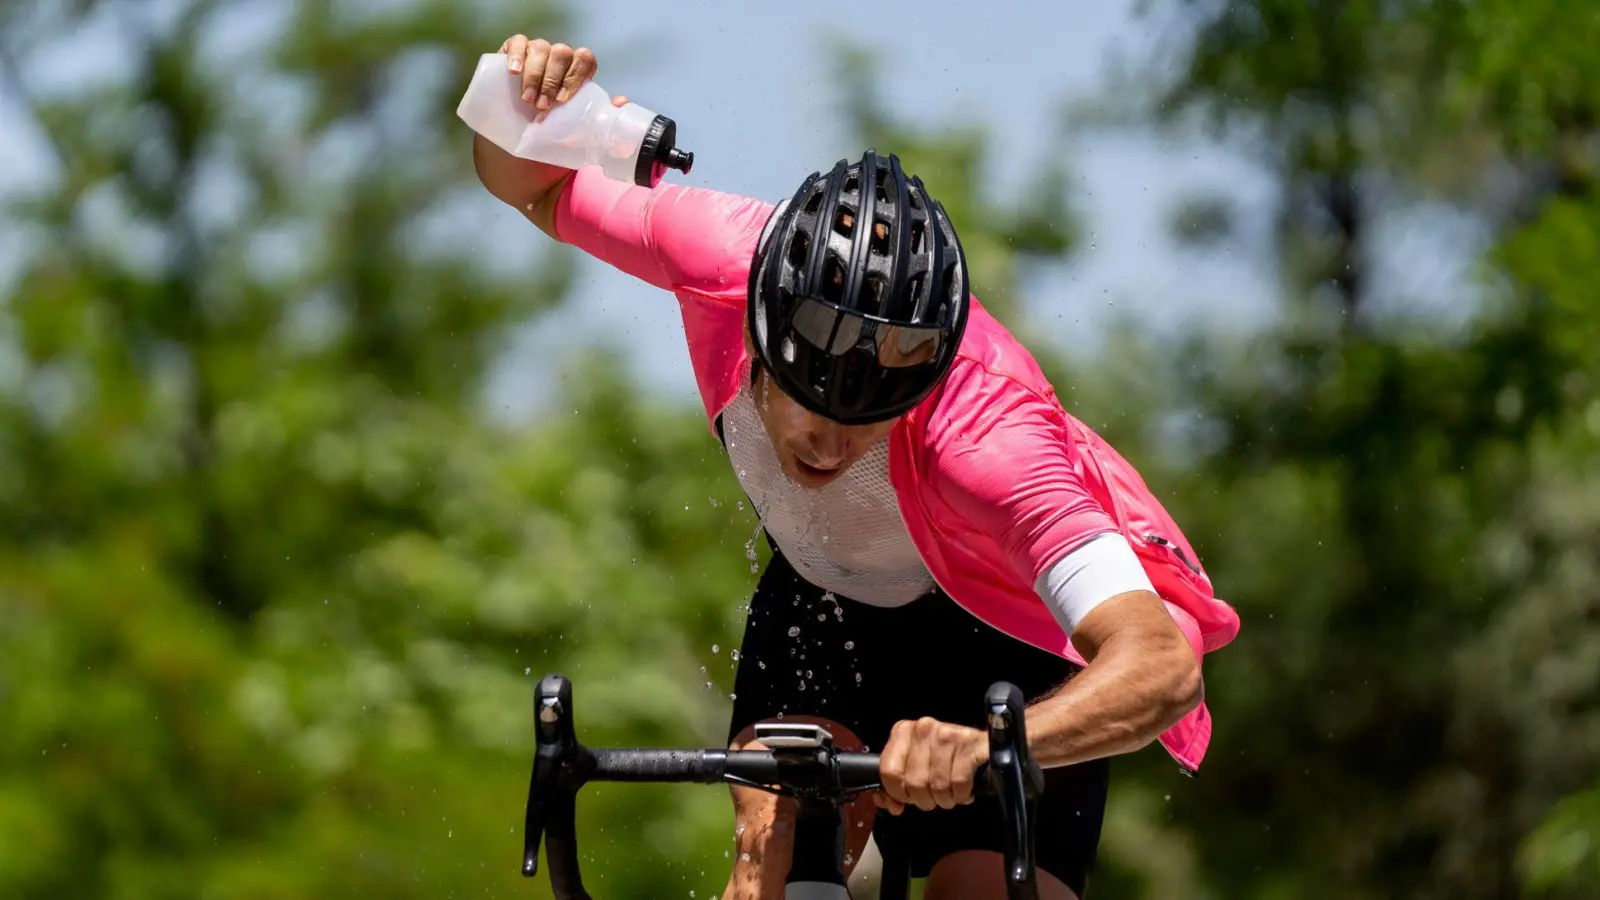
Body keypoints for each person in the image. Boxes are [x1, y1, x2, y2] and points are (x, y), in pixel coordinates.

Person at [473, 35, 1241, 900]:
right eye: (808, 399)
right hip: (823, 607)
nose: (829, 446)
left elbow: (1163, 666)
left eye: (867, 420)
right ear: (759, 325)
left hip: (1005, 653)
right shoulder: (715, 254)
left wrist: (998, 742)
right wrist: (521, 96)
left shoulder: (988, 434)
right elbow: (528, 181)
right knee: (772, 862)